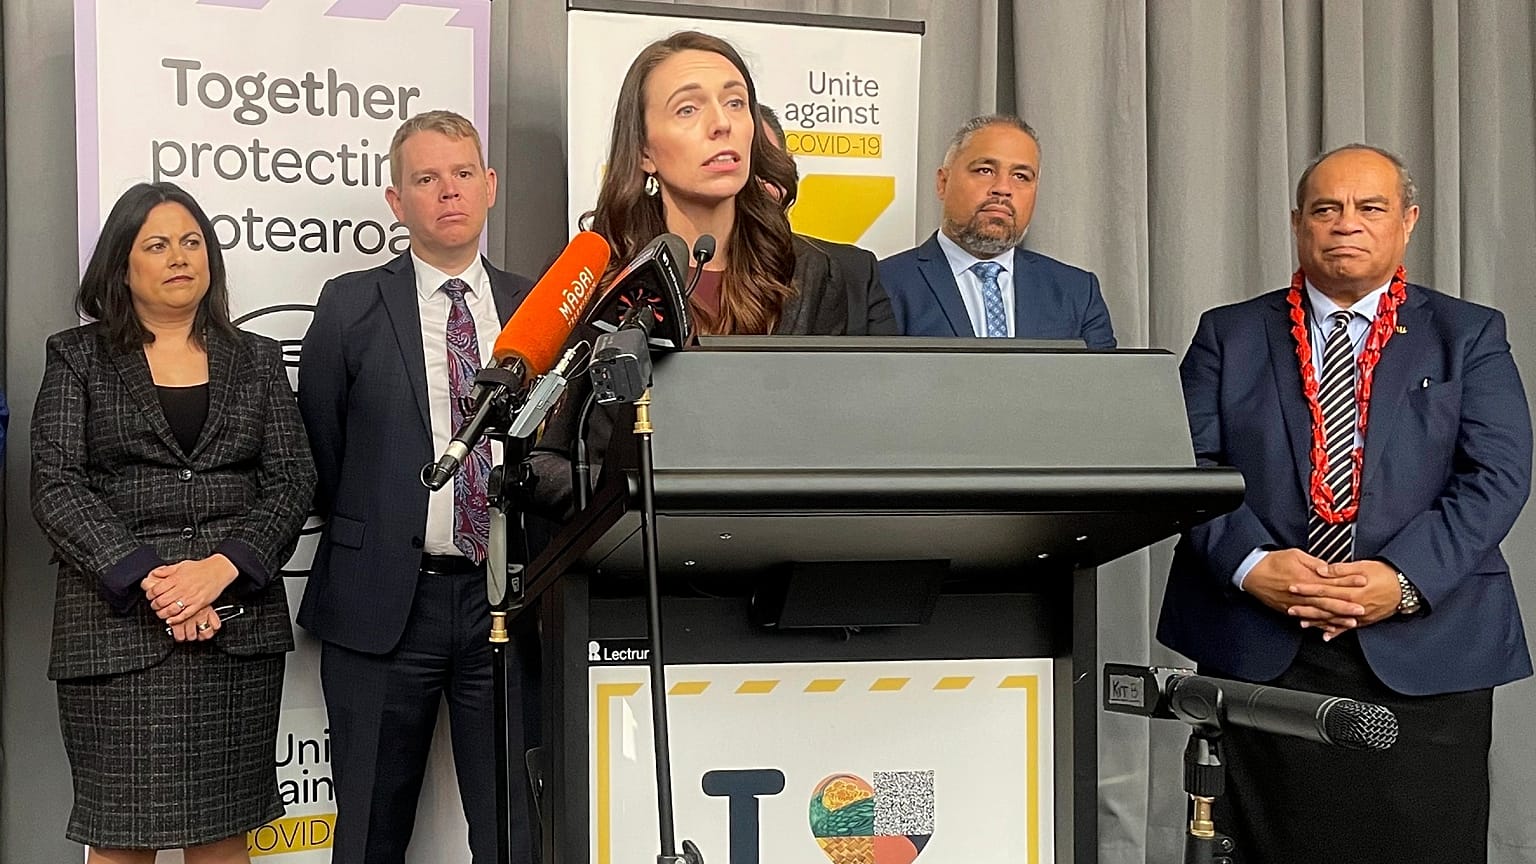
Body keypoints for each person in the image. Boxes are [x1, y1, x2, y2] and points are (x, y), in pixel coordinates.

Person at [1158, 144, 1531, 864]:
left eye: (1370, 208)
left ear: (1408, 222)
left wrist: (1402, 580)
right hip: (1260, 646)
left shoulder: (1470, 334)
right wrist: (1251, 564)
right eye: (1326, 209)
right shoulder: (1228, 334)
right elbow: (1185, 466)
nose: (1346, 225)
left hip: (1427, 647)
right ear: (1298, 223)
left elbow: (1498, 474)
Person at [30, 181, 314, 863]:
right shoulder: (77, 356)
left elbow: (292, 478)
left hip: (233, 628)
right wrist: (160, 583)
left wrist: (219, 571)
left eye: (192, 242)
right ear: (121, 264)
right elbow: (56, 485)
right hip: (117, 632)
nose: (179, 257)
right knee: (123, 840)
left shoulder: (257, 359)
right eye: (157, 244)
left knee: (224, 834)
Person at [296, 110, 534, 864]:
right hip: (382, 601)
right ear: (397, 202)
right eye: (425, 179)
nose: (448, 191)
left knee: (514, 831)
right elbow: (322, 454)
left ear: (490, 186)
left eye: (463, 173)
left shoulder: (541, 307)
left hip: (509, 603)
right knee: (368, 832)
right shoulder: (348, 304)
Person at [533, 31, 858, 513]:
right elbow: (546, 461)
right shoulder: (597, 276)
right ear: (644, 151)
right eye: (688, 109)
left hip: (777, 557)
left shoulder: (812, 274)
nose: (721, 124)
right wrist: (629, 497)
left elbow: (844, 445)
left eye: (735, 103)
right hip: (632, 565)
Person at [878, 115, 1116, 347]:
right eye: (985, 170)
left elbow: (1106, 384)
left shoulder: (1077, 291)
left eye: (1021, 176)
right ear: (943, 183)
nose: (1003, 189)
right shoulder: (884, 284)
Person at [758, 103, 897, 336]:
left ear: (788, 165)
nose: (756, 182)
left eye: (767, 163)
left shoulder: (854, 272)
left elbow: (884, 370)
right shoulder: (684, 270)